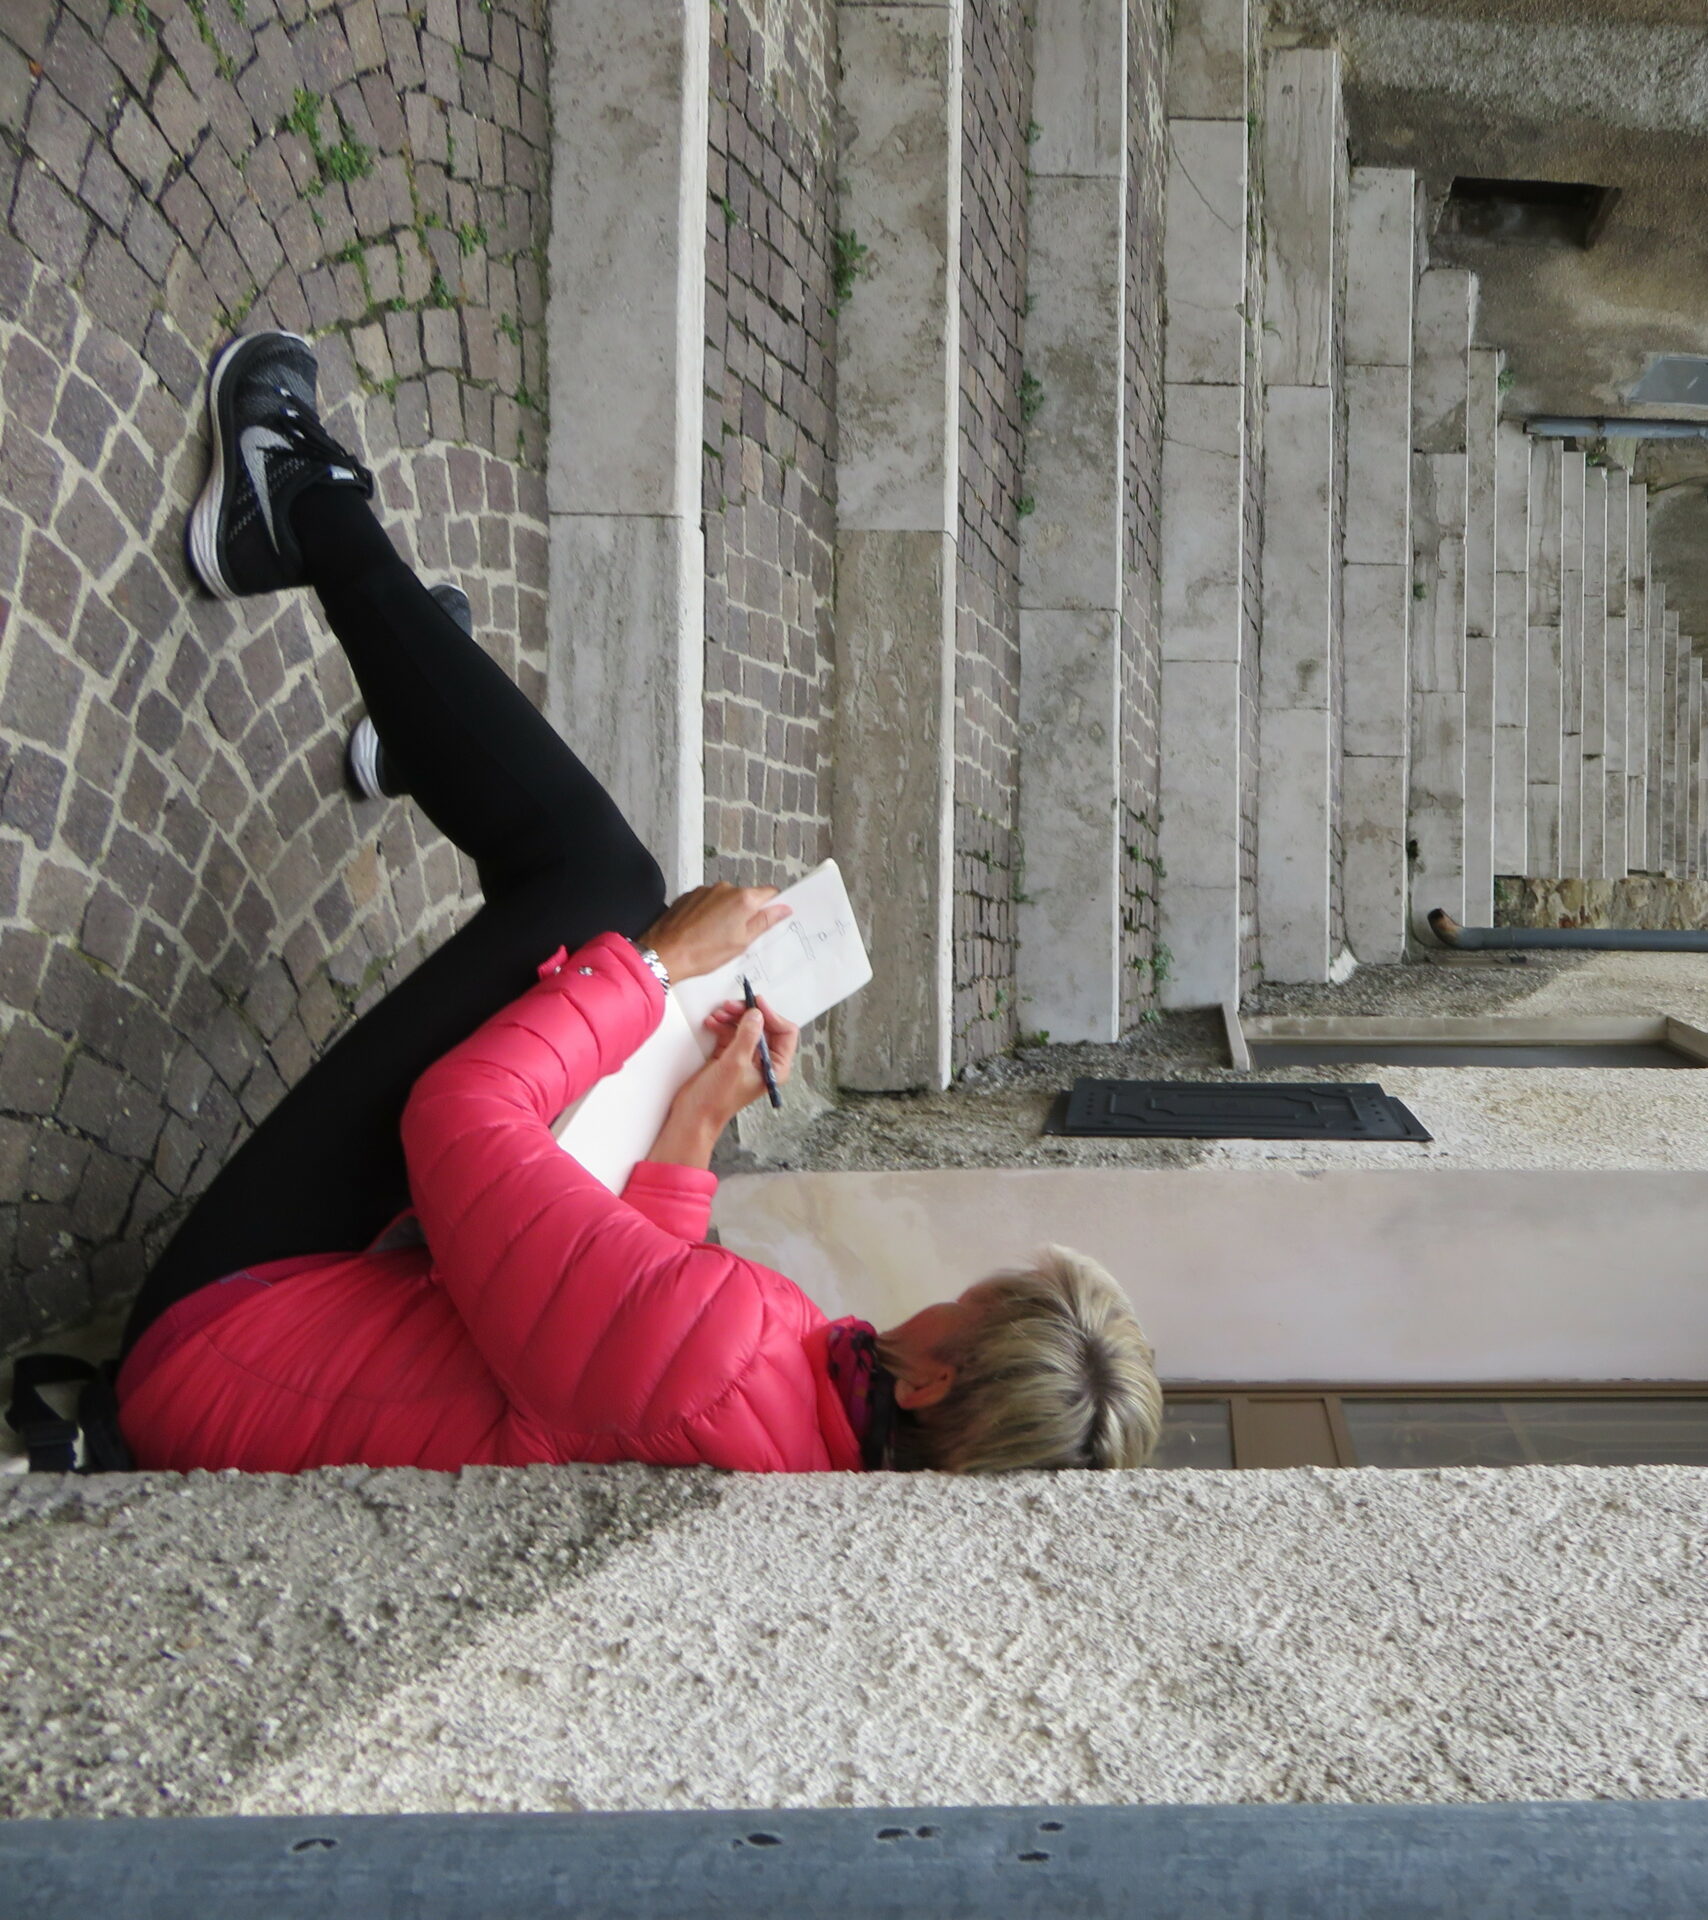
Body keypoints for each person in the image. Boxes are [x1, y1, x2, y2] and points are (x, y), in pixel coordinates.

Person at [100, 331, 1162, 1476]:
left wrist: (655, 969)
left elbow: (459, 1119)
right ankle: (427, 715)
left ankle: (295, 507)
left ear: (938, 1379)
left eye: (975, 1298)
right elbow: (613, 1320)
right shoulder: (813, 1443)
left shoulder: (747, 1361)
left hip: (229, 1333)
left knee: (602, 885)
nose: (950, 1293)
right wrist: (697, 1120)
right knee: (588, 905)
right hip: (319, 1344)